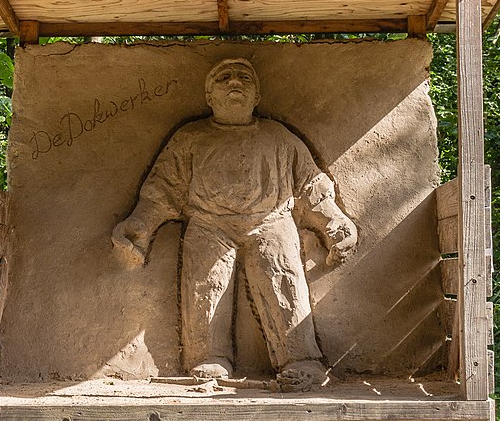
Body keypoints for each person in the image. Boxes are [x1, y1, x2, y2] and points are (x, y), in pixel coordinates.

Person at [112, 58, 358, 392]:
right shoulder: (190, 138)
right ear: (208, 95)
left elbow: (310, 188)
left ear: (257, 96)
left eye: (244, 78)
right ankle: (208, 357)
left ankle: (301, 359)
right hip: (208, 224)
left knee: (282, 278)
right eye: (223, 78)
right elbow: (162, 190)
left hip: (270, 221)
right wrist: (140, 224)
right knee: (205, 287)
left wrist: (335, 224)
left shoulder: (278, 137)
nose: (234, 83)